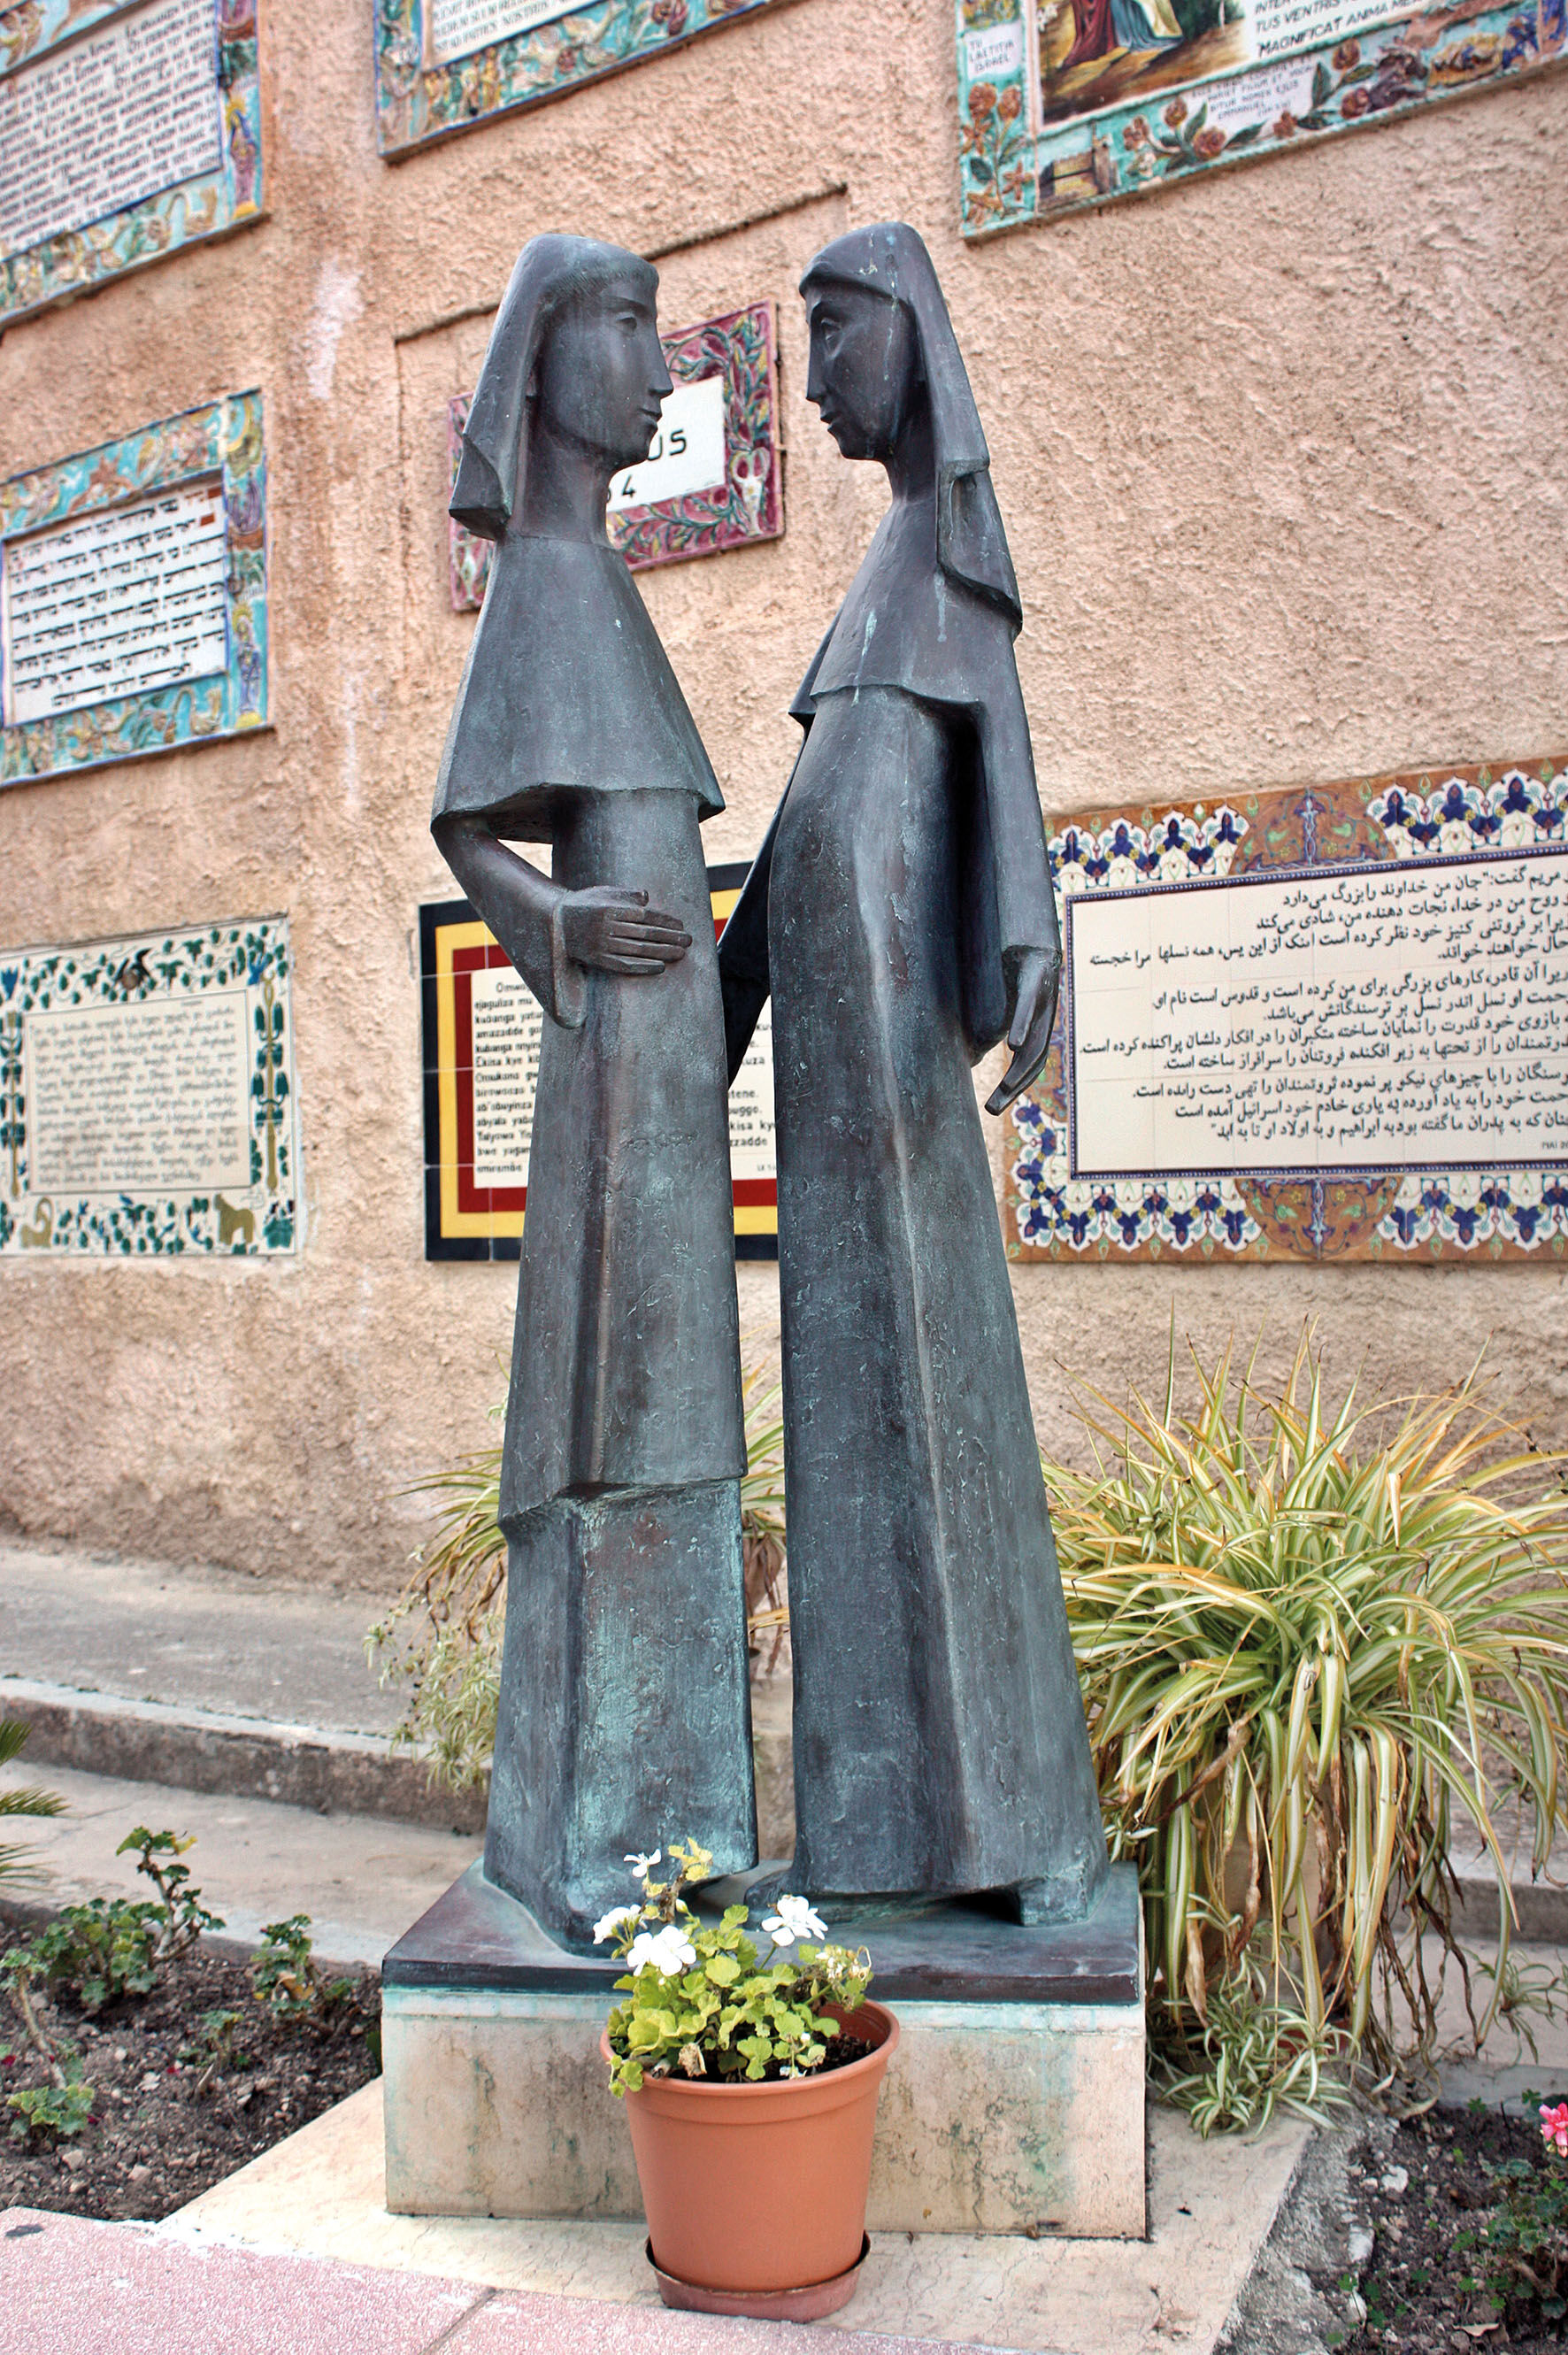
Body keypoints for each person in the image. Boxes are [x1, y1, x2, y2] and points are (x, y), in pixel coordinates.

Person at [719, 223, 1107, 1924]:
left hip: (886, 1053)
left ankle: (1008, 1829)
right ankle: (875, 1833)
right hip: (828, 1046)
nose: (811, 383)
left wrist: (1028, 929)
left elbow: (994, 747)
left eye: (833, 339)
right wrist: (727, 993)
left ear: (908, 343)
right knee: (857, 1416)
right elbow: (814, 823)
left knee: (936, 1413)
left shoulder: (944, 557)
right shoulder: (878, 567)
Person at [433, 235, 756, 1946]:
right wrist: (561, 916)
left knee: (665, 1406)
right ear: (548, 361)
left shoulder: (599, 583)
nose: (655, 358)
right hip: (617, 1060)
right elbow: (467, 822)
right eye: (627, 325)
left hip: (660, 1065)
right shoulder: (550, 580)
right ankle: (612, 1829)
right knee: (623, 1403)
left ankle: (668, 1815)